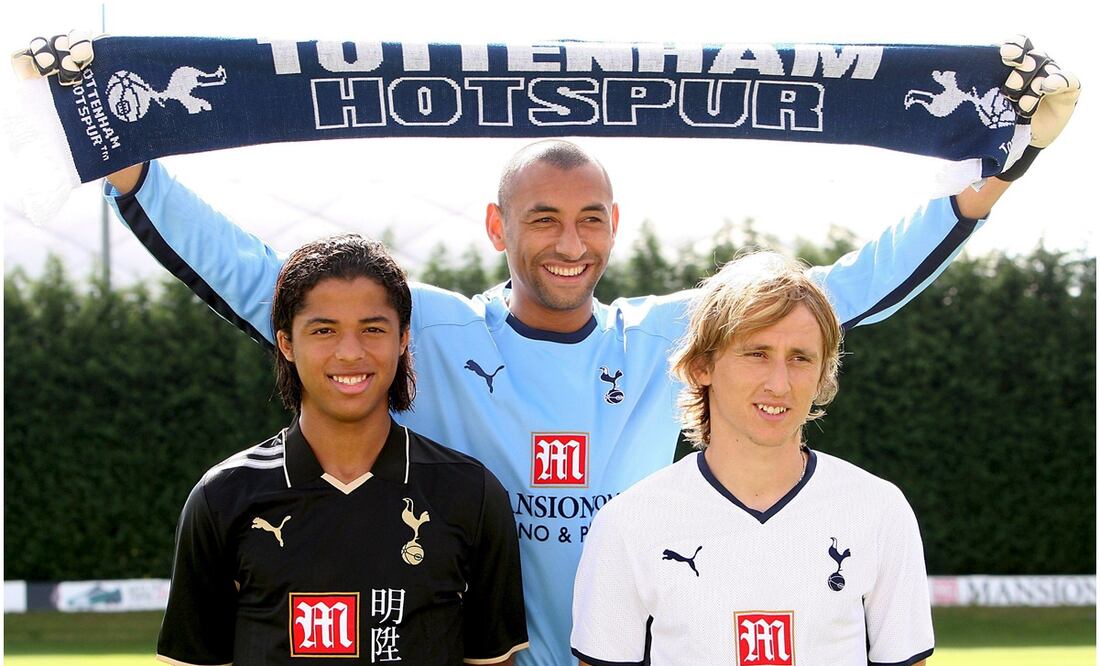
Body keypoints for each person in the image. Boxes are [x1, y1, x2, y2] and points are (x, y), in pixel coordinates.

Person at [20, 34, 1078, 666]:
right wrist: (126, 161)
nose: (566, 242)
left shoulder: (667, 330)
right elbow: (259, 278)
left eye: (588, 219)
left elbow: (835, 292)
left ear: (612, 228)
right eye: (540, 218)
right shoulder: (425, 323)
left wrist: (983, 188)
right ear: (498, 227)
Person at [156, 235, 528, 666]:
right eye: (324, 330)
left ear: (403, 338)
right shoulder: (222, 498)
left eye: (372, 328)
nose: (350, 352)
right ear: (287, 343)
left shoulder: (472, 493)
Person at [572, 252, 933, 665]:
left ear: (822, 374)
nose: (779, 384)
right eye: (756, 353)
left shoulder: (880, 510)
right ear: (701, 365)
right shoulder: (627, 524)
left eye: (800, 358)